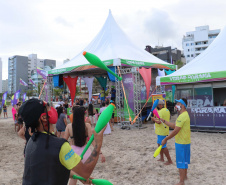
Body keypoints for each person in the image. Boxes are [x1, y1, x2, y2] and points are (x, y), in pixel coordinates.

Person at [19, 98, 105, 185]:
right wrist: (98, 146)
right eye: (48, 108)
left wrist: (77, 176)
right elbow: (86, 172)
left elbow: (52, 168)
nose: (52, 110)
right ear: (44, 117)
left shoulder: (31, 141)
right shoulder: (60, 146)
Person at [64, 106, 106, 185]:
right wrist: (100, 153)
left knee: (73, 178)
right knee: (86, 178)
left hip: (73, 155)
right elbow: (92, 141)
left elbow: (64, 142)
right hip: (86, 153)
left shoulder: (69, 126)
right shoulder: (87, 126)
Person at [160, 98, 191, 185]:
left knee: (181, 162)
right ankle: (184, 177)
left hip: (181, 143)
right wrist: (164, 121)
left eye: (178, 103)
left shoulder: (182, 116)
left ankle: (181, 182)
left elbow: (175, 131)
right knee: (184, 161)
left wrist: (166, 138)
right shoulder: (184, 114)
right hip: (186, 142)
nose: (176, 105)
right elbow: (174, 126)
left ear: (183, 105)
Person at [151, 99, 172, 165]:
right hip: (163, 130)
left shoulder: (160, 112)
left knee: (163, 146)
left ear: (160, 105)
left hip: (161, 131)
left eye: (157, 105)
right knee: (159, 144)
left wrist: (153, 119)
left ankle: (169, 160)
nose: (156, 107)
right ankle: (162, 158)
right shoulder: (167, 110)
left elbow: (159, 122)